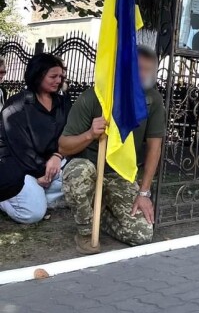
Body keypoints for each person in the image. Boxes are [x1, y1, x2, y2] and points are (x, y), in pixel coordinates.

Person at [59, 32, 166, 254]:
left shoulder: (152, 99)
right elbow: (63, 146)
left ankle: (101, 215)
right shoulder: (95, 96)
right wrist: (90, 134)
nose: (144, 74)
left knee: (141, 235)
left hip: (121, 172)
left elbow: (155, 148)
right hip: (90, 166)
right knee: (77, 173)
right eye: (139, 68)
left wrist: (144, 193)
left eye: (149, 70)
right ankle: (85, 229)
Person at [0, 54, 69, 224]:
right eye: (53, 76)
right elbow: (20, 149)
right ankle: (6, 200)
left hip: (52, 162)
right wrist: (41, 172)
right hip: (18, 166)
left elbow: (68, 134)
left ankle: (37, 194)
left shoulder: (63, 103)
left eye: (60, 76)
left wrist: (57, 155)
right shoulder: (16, 106)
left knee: (77, 179)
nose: (58, 81)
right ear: (38, 75)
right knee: (34, 214)